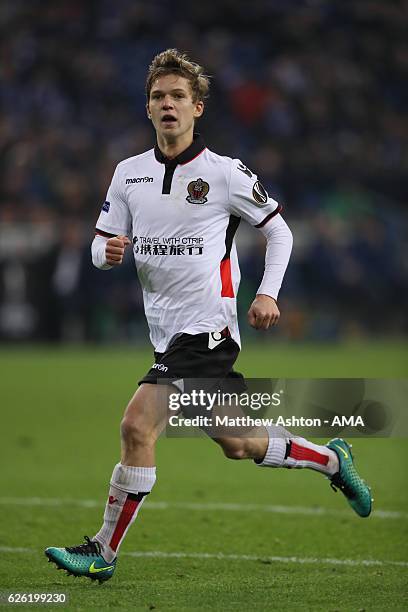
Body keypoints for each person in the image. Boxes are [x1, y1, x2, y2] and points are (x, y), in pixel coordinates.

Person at [45, 49, 372, 583]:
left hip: (208, 330)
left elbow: (278, 230)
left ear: (197, 108)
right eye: (158, 97)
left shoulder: (225, 173)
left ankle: (102, 550)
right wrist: (101, 254)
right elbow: (99, 242)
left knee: (136, 425)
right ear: (147, 108)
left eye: (177, 96)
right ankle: (332, 460)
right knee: (237, 442)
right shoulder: (128, 175)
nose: (167, 104)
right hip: (165, 334)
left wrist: (267, 293)